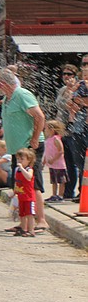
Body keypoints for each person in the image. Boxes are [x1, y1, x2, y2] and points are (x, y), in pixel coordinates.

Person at [0, 67, 47, 230]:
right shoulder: (6, 99)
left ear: (3, 84)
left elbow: (39, 117)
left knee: (34, 185)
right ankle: (24, 222)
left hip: (28, 147)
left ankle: (41, 220)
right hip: (15, 149)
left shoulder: (22, 95)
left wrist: (34, 139)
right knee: (19, 186)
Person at [64, 55, 88, 203]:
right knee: (80, 162)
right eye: (84, 64)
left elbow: (81, 101)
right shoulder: (78, 86)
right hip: (78, 127)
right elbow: (69, 104)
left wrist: (80, 102)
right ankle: (82, 192)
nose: (85, 67)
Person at [13, 147, 37, 237]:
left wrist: (22, 169)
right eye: (18, 159)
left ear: (28, 160)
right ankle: (23, 229)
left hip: (29, 197)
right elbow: (17, 182)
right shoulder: (17, 170)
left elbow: (28, 177)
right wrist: (14, 191)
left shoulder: (29, 169)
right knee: (22, 214)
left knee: (29, 214)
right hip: (21, 195)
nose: (19, 161)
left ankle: (31, 230)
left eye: (22, 159)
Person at [42, 121, 66, 203]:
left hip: (59, 164)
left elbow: (61, 151)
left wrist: (53, 159)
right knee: (54, 180)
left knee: (61, 180)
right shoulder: (48, 139)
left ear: (52, 129)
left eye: (46, 128)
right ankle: (54, 194)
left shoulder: (56, 139)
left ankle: (60, 195)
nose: (45, 130)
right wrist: (44, 161)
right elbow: (46, 152)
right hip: (51, 164)